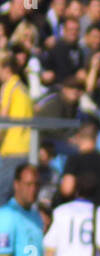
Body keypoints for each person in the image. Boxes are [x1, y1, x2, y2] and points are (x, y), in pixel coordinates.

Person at [0, 50, 33, 204]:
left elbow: (3, 119)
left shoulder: (9, 87)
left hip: (11, 149)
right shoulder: (23, 87)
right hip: (25, 148)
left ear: (6, 68)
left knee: (2, 195)